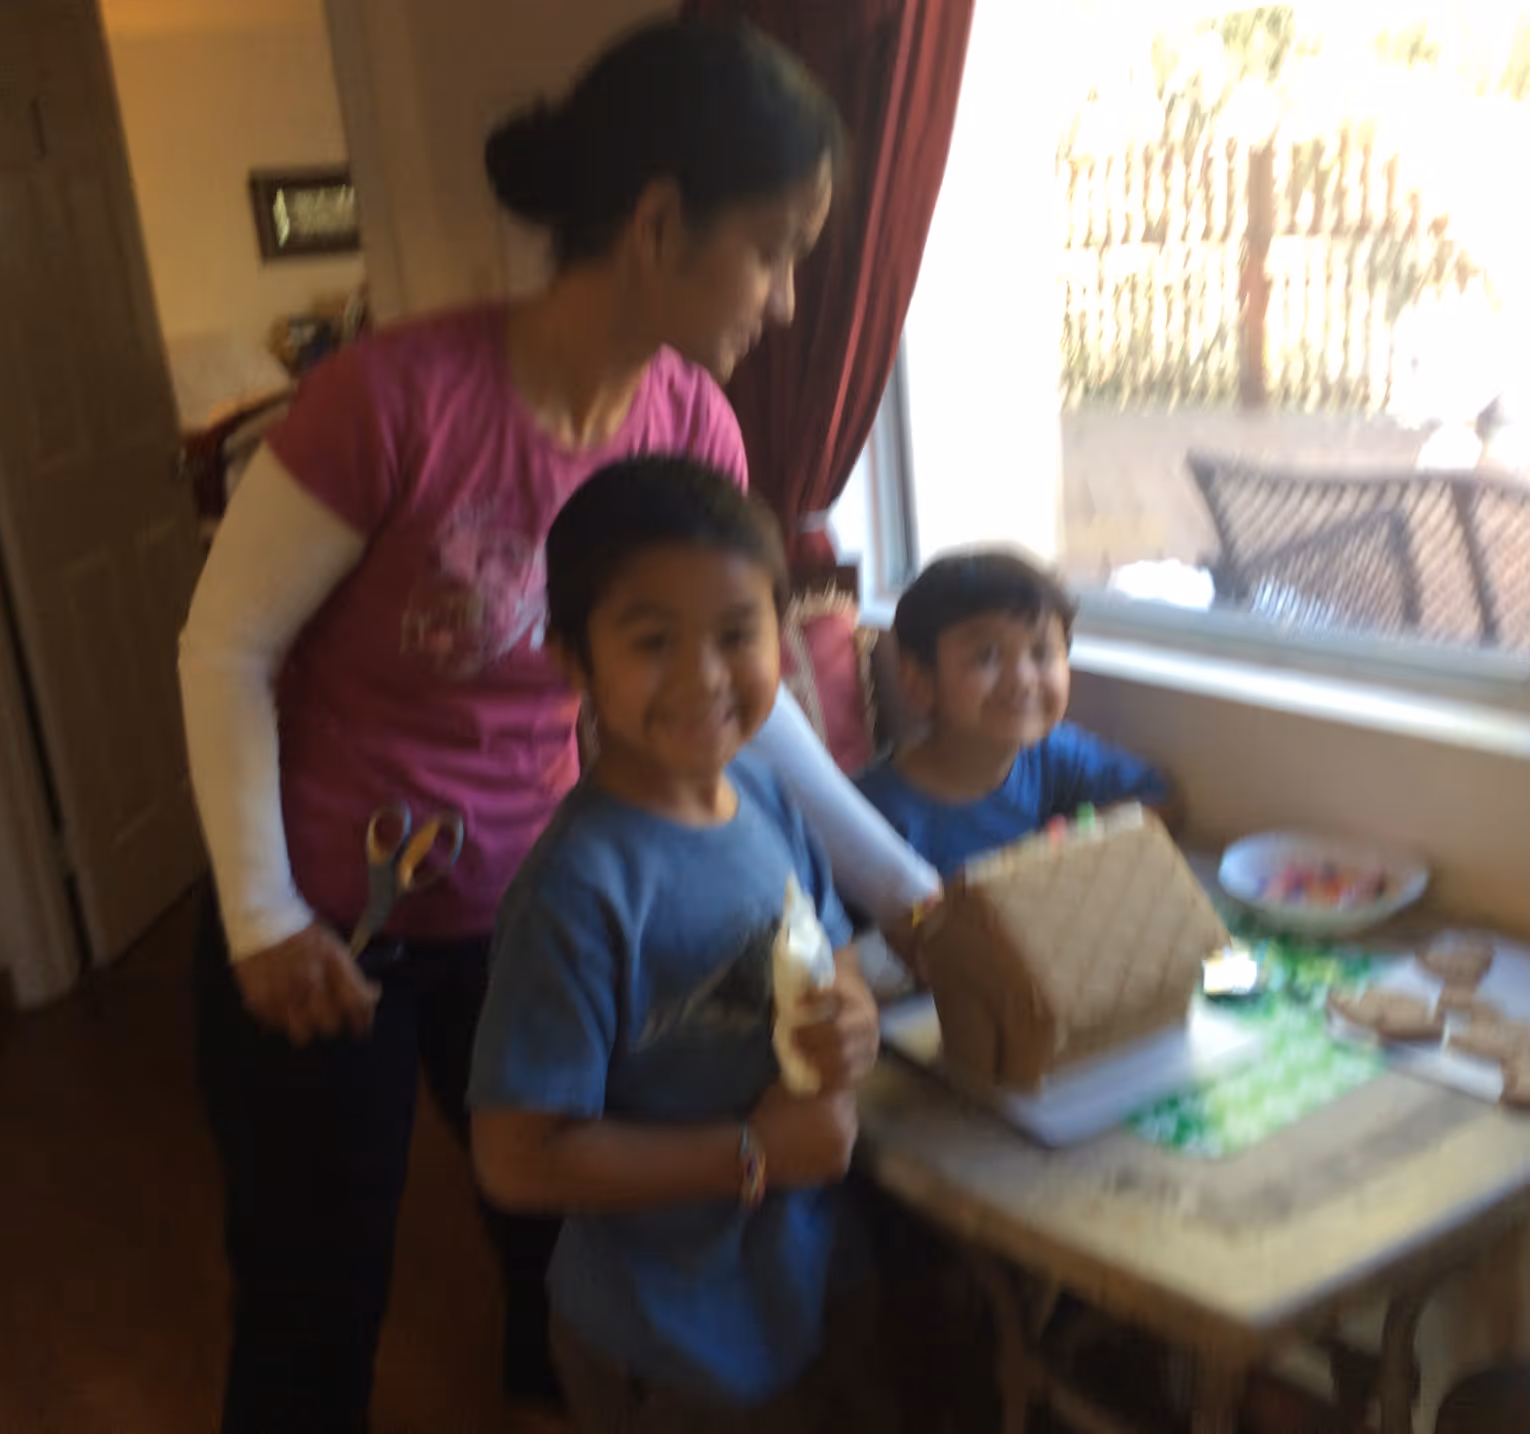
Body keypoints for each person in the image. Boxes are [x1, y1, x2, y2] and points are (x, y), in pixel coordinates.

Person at [176, 18, 938, 1433]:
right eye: (772, 249)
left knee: (553, 1253)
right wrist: (261, 915)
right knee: (314, 1288)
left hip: (539, 906)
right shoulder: (392, 400)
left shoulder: (692, 425)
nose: (783, 299)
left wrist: (907, 887)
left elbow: (728, 701)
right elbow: (225, 643)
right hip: (326, 933)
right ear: (658, 222)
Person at [469, 458, 884, 1433]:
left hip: (804, 1284)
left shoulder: (769, 799)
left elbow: (836, 956)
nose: (703, 677)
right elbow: (516, 1159)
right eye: (652, 641)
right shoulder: (577, 893)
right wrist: (755, 1152)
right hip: (669, 1342)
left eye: (736, 635)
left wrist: (852, 1019)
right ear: (574, 660)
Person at [855, 549, 1175, 881]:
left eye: (1041, 653)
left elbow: (1159, 800)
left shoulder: (1053, 754)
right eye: (987, 657)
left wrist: (1073, 845)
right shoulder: (875, 817)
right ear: (919, 681)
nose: (1022, 679)